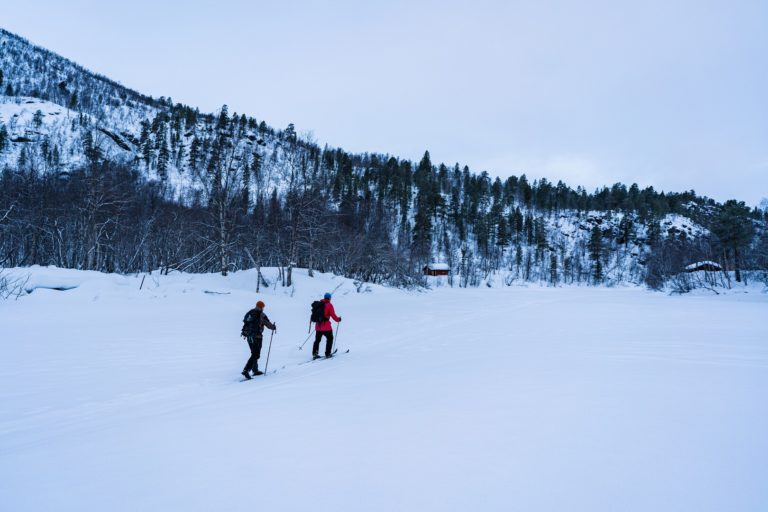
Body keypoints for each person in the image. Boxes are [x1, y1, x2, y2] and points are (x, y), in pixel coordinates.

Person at [240, 300, 276, 379]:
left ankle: (255, 370)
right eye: (263, 307)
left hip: (248, 336)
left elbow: (245, 322)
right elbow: (268, 324)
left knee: (254, 353)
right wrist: (273, 327)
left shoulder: (250, 312)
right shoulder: (261, 314)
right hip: (257, 337)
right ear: (262, 307)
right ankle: (246, 370)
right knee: (256, 354)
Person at [313, 292, 341, 359]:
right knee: (330, 338)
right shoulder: (329, 305)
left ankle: (315, 353)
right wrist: (338, 319)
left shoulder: (319, 304)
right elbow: (333, 315)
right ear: (330, 298)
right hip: (326, 327)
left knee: (317, 340)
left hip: (318, 326)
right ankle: (328, 353)